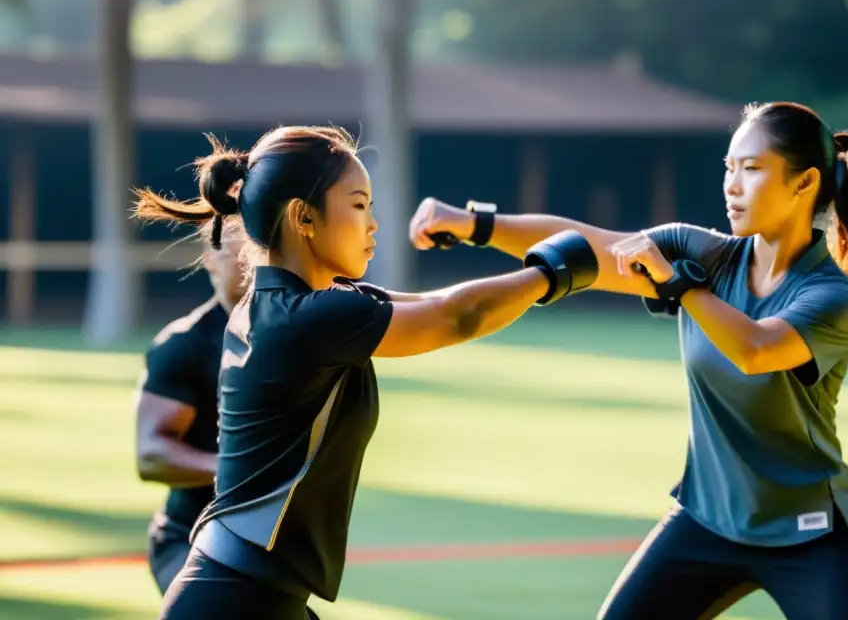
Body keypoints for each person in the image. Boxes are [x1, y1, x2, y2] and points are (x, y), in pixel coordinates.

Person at [409, 101, 848, 620]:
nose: (732, 184)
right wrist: (473, 223)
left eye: (751, 169)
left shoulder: (831, 296)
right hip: (706, 520)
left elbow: (754, 350)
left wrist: (679, 285)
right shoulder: (702, 254)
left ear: (804, 182)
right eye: (728, 168)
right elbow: (587, 245)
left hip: (809, 533)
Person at [132, 125, 599, 620]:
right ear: (303, 217)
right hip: (236, 602)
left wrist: (536, 269)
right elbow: (458, 316)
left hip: (250, 594)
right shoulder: (311, 319)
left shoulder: (279, 307)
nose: (373, 224)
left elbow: (434, 304)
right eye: (358, 205)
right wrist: (552, 273)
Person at [134, 217, 246, 595]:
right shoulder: (182, 343)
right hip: (189, 539)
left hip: (264, 544)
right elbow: (151, 455)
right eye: (240, 251)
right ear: (210, 258)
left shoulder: (291, 338)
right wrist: (239, 471)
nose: (252, 263)